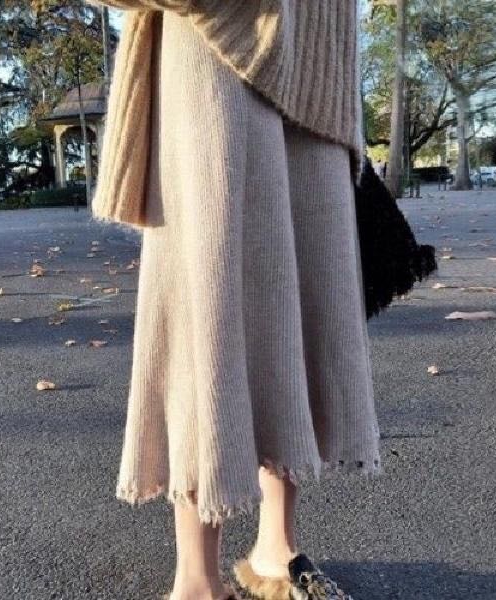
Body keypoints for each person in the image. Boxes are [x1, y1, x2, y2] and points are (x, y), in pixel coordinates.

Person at [87, 2, 381, 599]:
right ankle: (199, 578)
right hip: (222, 41)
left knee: (284, 294)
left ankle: (272, 549)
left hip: (311, 53)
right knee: (214, 290)